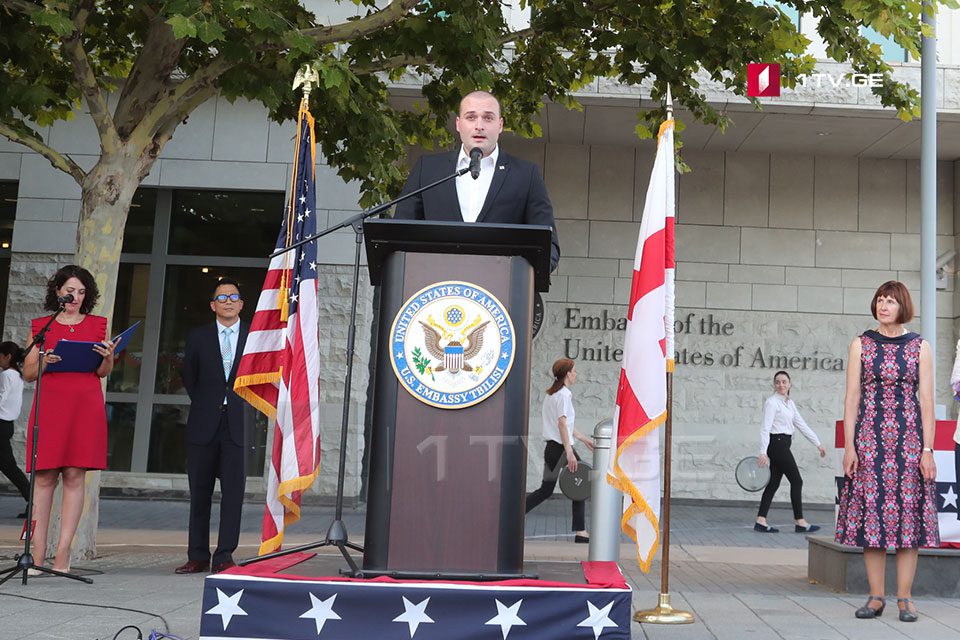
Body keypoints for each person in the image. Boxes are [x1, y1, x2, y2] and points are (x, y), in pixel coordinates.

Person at [835, 281, 939, 622]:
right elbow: (852, 398)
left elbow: (927, 402)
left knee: (908, 521)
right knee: (873, 520)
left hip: (909, 444)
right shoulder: (860, 344)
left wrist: (927, 449)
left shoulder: (919, 346)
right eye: (880, 299)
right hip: (869, 442)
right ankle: (876, 596)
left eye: (891, 301)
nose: (884, 305)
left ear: (902, 306)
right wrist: (850, 446)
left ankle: (905, 598)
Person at [393, 90, 561, 272]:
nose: (479, 126)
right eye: (471, 117)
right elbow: (400, 234)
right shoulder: (428, 169)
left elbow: (548, 247)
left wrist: (525, 277)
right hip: (435, 284)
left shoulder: (526, 175)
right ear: (458, 124)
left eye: (488, 118)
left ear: (500, 125)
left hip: (501, 286)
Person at [22, 265, 117, 573]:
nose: (75, 297)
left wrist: (108, 357)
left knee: (75, 476)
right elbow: (28, 373)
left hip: (85, 406)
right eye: (70, 290)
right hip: (50, 407)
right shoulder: (42, 326)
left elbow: (102, 372)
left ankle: (63, 556)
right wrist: (45, 361)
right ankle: (37, 556)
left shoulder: (98, 325)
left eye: (81, 292)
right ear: (57, 291)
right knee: (44, 478)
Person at [175, 278, 251, 575]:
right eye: (221, 297)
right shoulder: (198, 337)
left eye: (233, 297)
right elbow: (190, 377)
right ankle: (197, 555)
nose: (228, 301)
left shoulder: (254, 337)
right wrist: (210, 402)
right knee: (200, 493)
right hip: (204, 423)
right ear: (212, 305)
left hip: (237, 424)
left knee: (233, 495)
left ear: (241, 304)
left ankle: (224, 556)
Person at [524, 358, 594, 542]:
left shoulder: (551, 395)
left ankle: (515, 515)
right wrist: (569, 451)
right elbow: (562, 424)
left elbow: (566, 424)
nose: (576, 374)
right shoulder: (564, 395)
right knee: (581, 483)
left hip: (552, 449)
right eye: (574, 371)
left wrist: (584, 439)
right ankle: (580, 532)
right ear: (567, 374)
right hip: (561, 449)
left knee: (546, 490)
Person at [753, 370, 826, 533]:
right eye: (777, 382)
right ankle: (800, 521)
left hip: (783, 445)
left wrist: (818, 443)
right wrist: (763, 452)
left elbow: (801, 424)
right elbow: (765, 428)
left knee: (773, 483)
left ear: (790, 384)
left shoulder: (789, 403)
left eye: (784, 382)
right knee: (797, 481)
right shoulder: (772, 402)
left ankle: (760, 520)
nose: (781, 385)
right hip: (777, 445)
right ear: (774, 385)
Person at [0, 341, 30, 518]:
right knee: (9, 466)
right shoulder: (18, 376)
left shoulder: (6, 375)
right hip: (7, 424)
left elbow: (1, 398)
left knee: (9, 467)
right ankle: (32, 500)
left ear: (7, 357)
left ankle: (33, 501)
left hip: (1, 424)